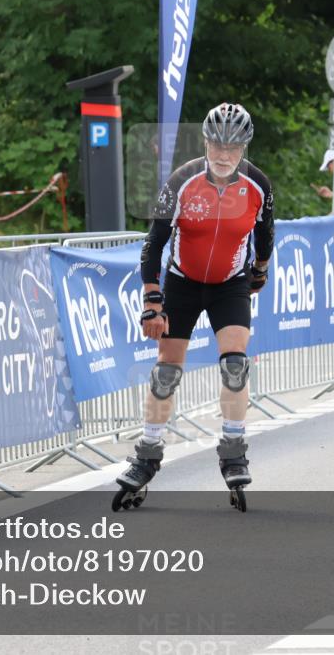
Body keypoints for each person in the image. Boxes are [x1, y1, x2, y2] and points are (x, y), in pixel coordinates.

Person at [115, 102, 275, 510]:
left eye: (233, 148)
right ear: (205, 142)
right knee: (167, 371)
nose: (223, 156)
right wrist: (153, 298)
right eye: (217, 146)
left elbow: (266, 232)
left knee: (235, 364)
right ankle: (147, 455)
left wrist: (259, 269)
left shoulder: (258, 185)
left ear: (244, 148)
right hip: (183, 283)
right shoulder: (182, 181)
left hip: (229, 286)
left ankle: (234, 450)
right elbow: (154, 243)